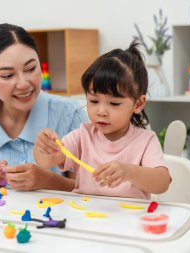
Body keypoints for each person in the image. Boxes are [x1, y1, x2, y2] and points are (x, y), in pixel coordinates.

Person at [0, 23, 87, 191]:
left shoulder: (69, 114)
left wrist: (49, 180)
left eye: (31, 68)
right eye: (8, 75)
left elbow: (91, 193)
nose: (24, 84)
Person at [34, 41, 170, 199]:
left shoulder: (145, 140)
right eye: (93, 101)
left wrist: (129, 172)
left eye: (114, 103)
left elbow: (162, 182)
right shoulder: (82, 135)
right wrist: (43, 148)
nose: (101, 111)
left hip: (127, 220)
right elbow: (46, 162)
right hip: (86, 218)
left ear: (138, 104)